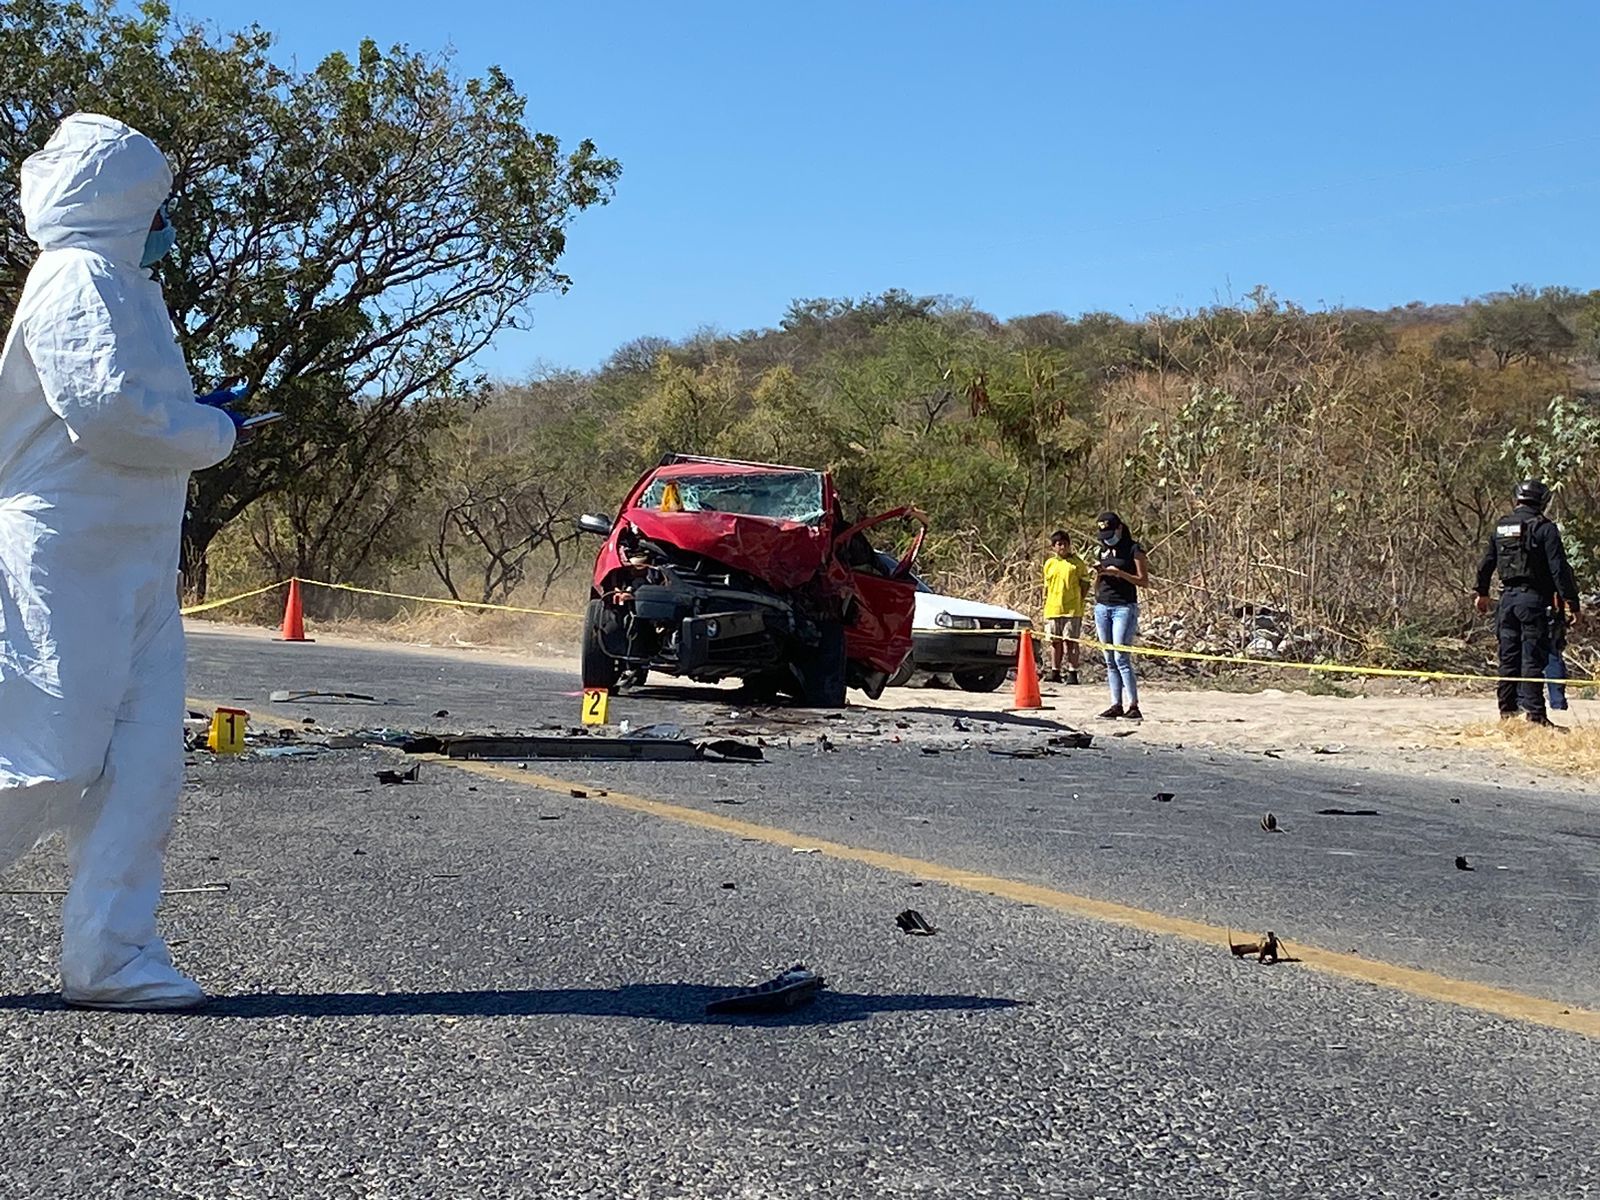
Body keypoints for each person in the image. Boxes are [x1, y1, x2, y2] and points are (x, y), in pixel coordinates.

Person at [0, 114, 242, 1009]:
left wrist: (198, 418)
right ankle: (111, 953)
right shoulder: (76, 276)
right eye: (156, 203)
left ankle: (112, 957)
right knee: (49, 759)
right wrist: (216, 431)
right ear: (122, 198)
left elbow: (132, 409)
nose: (166, 221)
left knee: (144, 766)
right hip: (61, 556)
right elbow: (106, 412)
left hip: (130, 556)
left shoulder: (123, 284)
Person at [1473, 479, 1582, 729]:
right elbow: (1559, 570)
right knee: (1532, 657)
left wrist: (1481, 593)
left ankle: (1507, 713)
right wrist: (1572, 604)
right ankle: (1535, 717)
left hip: (1506, 602)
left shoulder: (1501, 527)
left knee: (1508, 658)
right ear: (1542, 501)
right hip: (1533, 602)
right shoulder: (1545, 528)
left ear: (1517, 499)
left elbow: (1486, 563)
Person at [1091, 511, 1148, 720]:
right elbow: (1098, 580)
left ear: (1119, 529)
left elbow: (1143, 580)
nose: (1108, 539)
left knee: (1121, 657)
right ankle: (1115, 703)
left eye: (1110, 533)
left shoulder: (1133, 549)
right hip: (1102, 606)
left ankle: (1133, 705)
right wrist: (1099, 575)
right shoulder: (1103, 551)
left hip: (1123, 607)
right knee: (1109, 659)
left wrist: (1120, 573)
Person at [1042, 530, 1091, 684]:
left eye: (1065, 543)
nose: (1062, 547)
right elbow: (1046, 586)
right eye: (1059, 544)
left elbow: (1085, 584)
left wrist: (1078, 600)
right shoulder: (1049, 563)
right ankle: (1055, 671)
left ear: (1069, 545)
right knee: (1055, 642)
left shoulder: (1077, 563)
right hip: (1053, 608)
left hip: (1072, 610)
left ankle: (1072, 672)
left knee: (1070, 641)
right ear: (1053, 547)